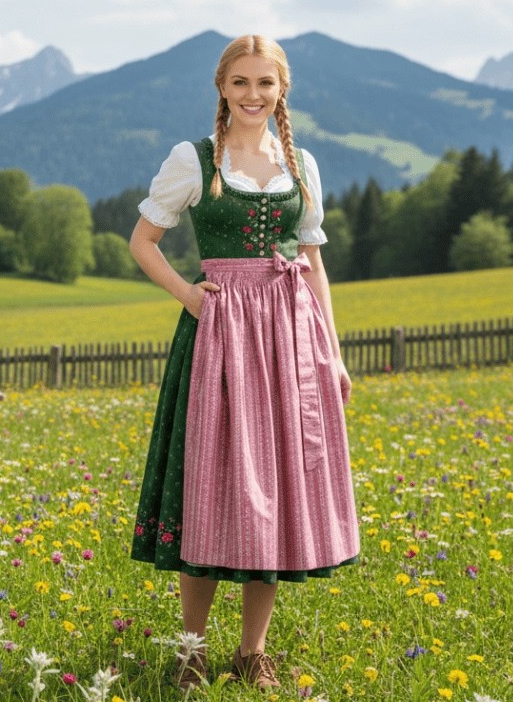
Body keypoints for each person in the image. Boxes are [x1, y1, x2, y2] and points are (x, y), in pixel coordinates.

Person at [128, 35, 359, 690]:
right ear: (221, 89)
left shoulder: (299, 161)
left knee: (277, 492)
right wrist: (189, 298)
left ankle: (251, 651)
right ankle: (191, 649)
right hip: (221, 334)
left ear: (282, 89)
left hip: (289, 337)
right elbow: (143, 241)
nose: (253, 95)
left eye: (265, 83)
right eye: (240, 84)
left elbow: (312, 262)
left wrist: (332, 357)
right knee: (209, 482)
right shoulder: (194, 158)